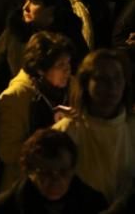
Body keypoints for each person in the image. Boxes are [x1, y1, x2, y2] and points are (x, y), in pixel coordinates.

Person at [53, 48, 135, 204]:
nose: (112, 86)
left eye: (117, 77)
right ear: (86, 83)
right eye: (102, 79)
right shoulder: (66, 133)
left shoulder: (131, 128)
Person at [0, 31, 73, 191]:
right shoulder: (16, 97)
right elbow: (8, 151)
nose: (67, 71)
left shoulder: (71, 88)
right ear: (40, 69)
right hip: (28, 186)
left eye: (68, 64)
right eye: (60, 65)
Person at [0, 128, 107, 213]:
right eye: (46, 173)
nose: (55, 180)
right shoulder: (3, 209)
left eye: (63, 172)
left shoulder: (94, 205)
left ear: (73, 169)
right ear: (29, 171)